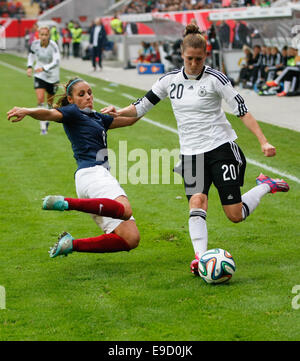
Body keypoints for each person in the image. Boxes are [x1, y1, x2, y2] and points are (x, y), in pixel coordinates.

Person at [101, 23, 290, 276]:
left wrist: (263, 141)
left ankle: (266, 185)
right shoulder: (169, 80)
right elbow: (141, 106)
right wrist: (118, 110)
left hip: (220, 148)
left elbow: (242, 111)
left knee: (234, 215)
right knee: (197, 202)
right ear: (182, 54)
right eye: (189, 58)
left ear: (206, 55)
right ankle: (201, 259)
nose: (193, 63)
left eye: (198, 59)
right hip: (191, 154)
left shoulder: (216, 79)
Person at [7, 77, 141, 258]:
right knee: (124, 209)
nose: (88, 97)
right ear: (70, 99)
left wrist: (154, 98)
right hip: (94, 173)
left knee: (131, 238)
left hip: (89, 180)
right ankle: (65, 203)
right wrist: (27, 111)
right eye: (82, 94)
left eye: (90, 93)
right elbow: (49, 114)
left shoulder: (97, 117)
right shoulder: (72, 113)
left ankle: (71, 244)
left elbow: (131, 120)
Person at [27, 25, 60, 135]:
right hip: (39, 75)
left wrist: (44, 68)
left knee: (50, 103)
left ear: (49, 35)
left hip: (53, 76)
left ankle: (47, 119)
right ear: (39, 35)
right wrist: (29, 67)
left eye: (46, 35)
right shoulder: (35, 44)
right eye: (42, 34)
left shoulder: (54, 45)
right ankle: (43, 128)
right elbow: (31, 56)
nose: (44, 37)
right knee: (40, 100)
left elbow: (56, 61)